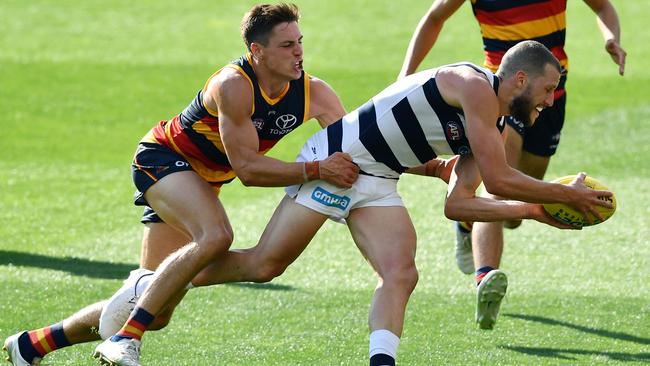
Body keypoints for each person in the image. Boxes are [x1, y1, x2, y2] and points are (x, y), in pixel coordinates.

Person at [98, 40, 611, 366]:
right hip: (337, 162)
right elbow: (501, 176)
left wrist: (535, 211)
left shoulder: (493, 124)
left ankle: (381, 362)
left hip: (378, 179)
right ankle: (152, 292)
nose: (549, 101)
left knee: (401, 273)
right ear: (519, 79)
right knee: (263, 264)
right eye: (548, 89)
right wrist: (565, 195)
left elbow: (462, 204)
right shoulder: (474, 87)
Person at [2, 3, 361, 366]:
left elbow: (360, 144)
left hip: (202, 183)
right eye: (286, 45)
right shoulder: (234, 85)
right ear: (257, 51)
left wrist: (415, 158)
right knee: (217, 235)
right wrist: (316, 170)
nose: (299, 51)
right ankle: (126, 338)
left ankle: (32, 344)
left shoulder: (314, 93)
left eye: (300, 41)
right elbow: (249, 170)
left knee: (153, 307)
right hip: (161, 160)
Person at [398, 0, 627, 328]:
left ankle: (467, 223)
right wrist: (405, 77)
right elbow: (435, 17)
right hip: (503, 97)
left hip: (550, 98)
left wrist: (610, 38)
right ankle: (485, 276)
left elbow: (603, 7)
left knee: (518, 210)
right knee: (500, 181)